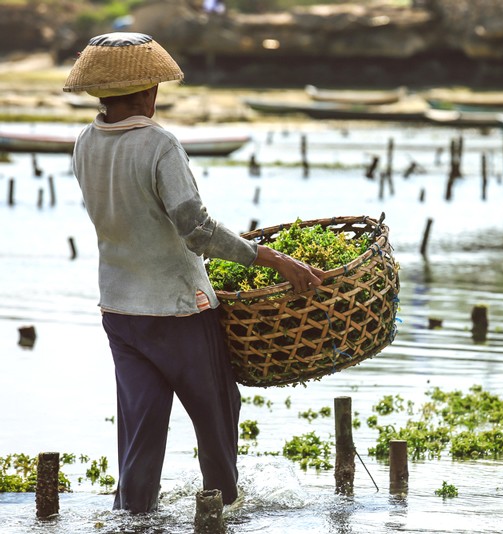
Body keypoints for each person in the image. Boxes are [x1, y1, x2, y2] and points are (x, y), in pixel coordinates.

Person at [63, 32, 324, 513]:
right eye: (155, 88)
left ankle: (133, 515)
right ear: (147, 93)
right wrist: (274, 258)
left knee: (140, 430)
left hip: (119, 310)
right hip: (178, 309)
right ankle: (221, 512)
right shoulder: (160, 144)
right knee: (217, 418)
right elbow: (198, 231)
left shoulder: (84, 142)